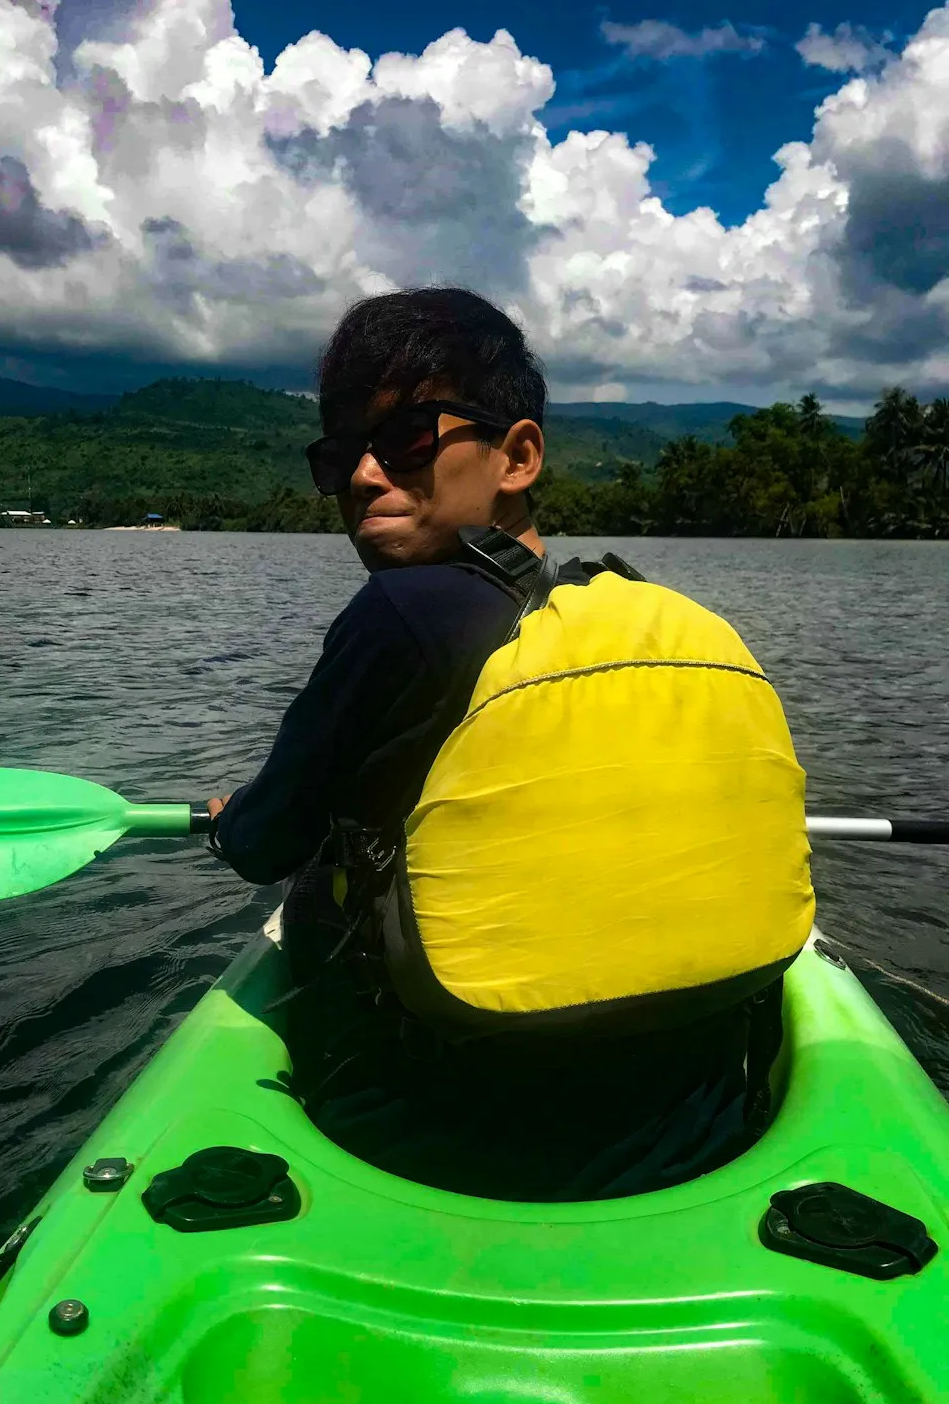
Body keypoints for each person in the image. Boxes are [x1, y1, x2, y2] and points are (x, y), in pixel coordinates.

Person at [207, 286, 813, 1202]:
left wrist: (228, 821)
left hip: (429, 1136)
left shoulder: (402, 614)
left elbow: (261, 844)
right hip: (699, 1130)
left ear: (519, 455)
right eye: (339, 458)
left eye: (409, 439)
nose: (366, 476)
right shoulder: (650, 615)